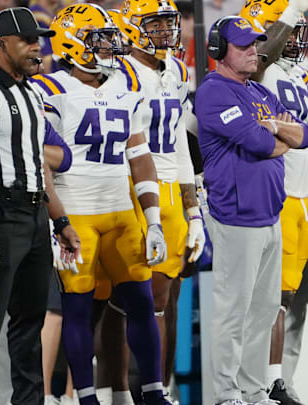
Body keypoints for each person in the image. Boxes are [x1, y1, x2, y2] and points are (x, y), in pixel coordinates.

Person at [30, 3, 172, 404]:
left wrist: (154, 219)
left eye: (109, 38)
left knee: (142, 302)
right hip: (75, 211)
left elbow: (139, 156)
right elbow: (43, 163)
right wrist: (55, 220)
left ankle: (154, 392)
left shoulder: (123, 88)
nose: (109, 46)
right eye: (99, 39)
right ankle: (87, 397)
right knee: (77, 309)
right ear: (72, 43)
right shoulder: (49, 90)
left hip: (121, 211)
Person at [0, 7, 81, 404]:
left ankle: (28, 401)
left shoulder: (32, 94)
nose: (36, 48)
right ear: (2, 44)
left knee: (30, 321)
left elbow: (39, 167)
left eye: (37, 40)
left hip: (35, 216)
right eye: (27, 40)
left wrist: (60, 221)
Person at [196, 15, 308, 405]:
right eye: (243, 45)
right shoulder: (214, 91)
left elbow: (304, 136)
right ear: (218, 51)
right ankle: (227, 395)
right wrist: (277, 132)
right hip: (235, 214)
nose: (252, 51)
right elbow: (260, 144)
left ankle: (254, 390)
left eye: (254, 44)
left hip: (269, 213)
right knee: (233, 311)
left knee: (262, 312)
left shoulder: (259, 93)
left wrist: (274, 129)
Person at [95, 0, 204, 402]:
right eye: (155, 24)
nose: (165, 32)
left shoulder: (175, 69)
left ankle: (154, 391)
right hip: (128, 185)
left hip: (171, 186)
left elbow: (177, 138)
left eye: (167, 24)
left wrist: (192, 208)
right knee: (123, 298)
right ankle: (117, 390)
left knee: (160, 298)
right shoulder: (115, 72)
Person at [239, 1, 308, 403]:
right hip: (272, 193)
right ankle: (260, 383)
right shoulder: (259, 69)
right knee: (266, 298)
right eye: (286, 29)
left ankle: (274, 379)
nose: (295, 36)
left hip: (302, 193)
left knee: (286, 297)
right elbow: (261, 55)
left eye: (297, 28)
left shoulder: (303, 78)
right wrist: (292, 9)